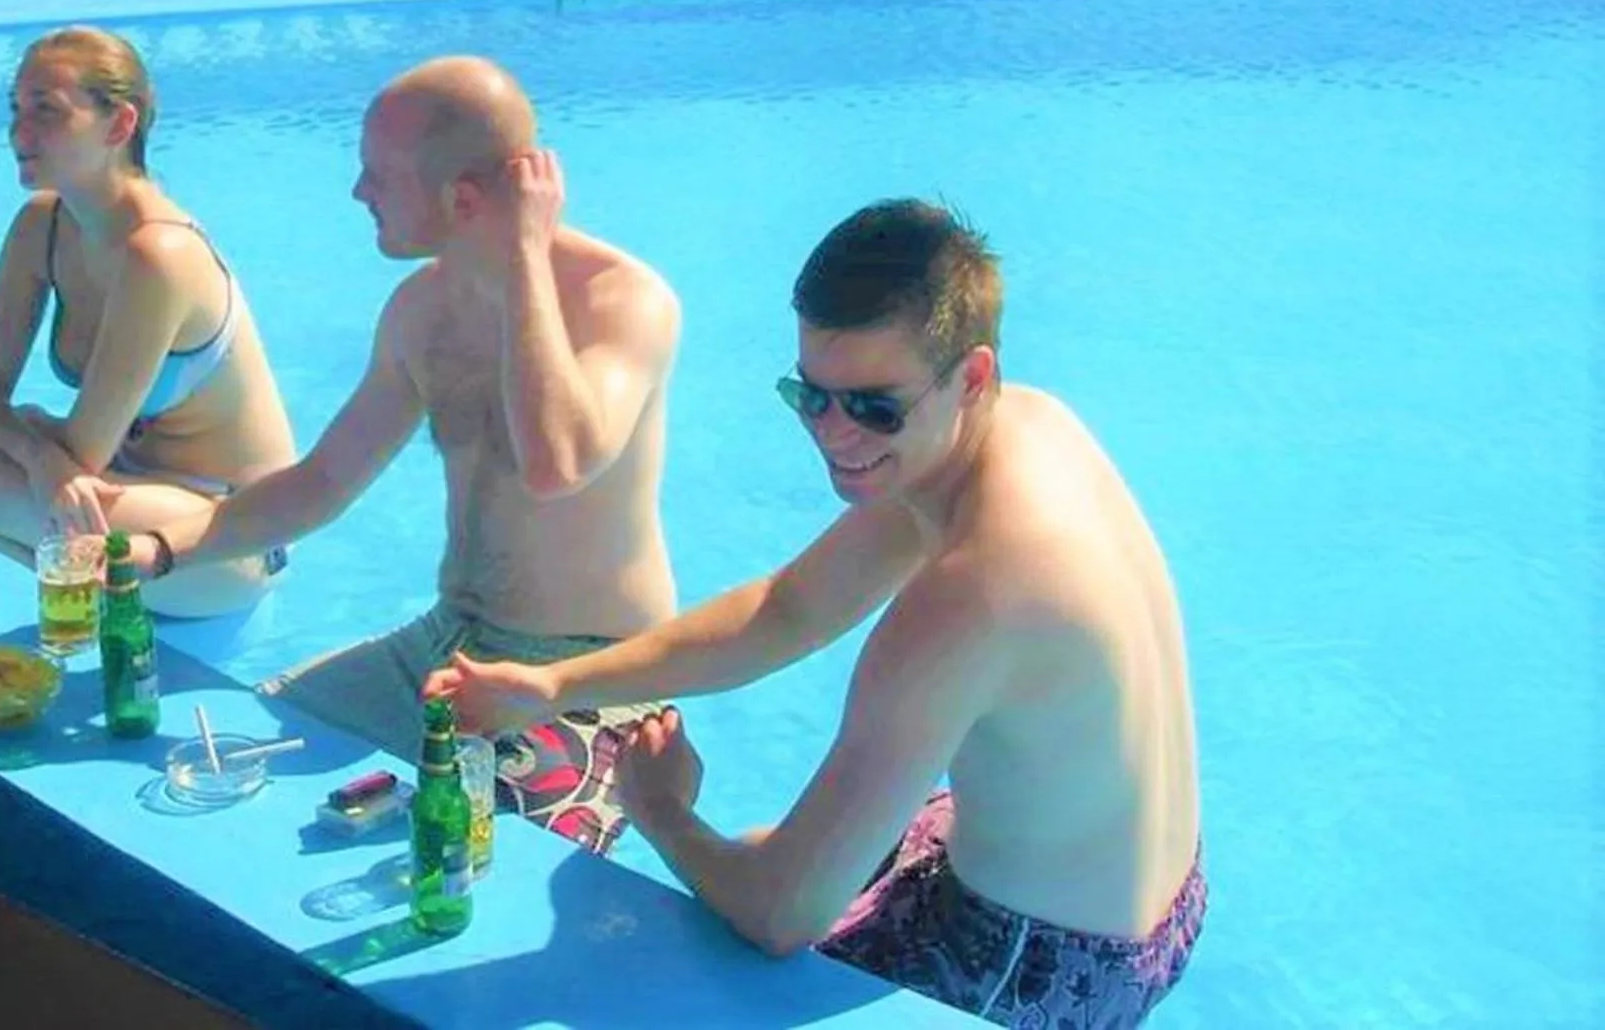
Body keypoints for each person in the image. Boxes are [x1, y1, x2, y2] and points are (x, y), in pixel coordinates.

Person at [432, 199, 1205, 1025]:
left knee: (717, 940)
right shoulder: (1025, 426)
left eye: (874, 407)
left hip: (1031, 970)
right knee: (776, 846)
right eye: (812, 396)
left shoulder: (975, 597)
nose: (836, 433)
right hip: (1156, 898)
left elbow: (777, 917)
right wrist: (553, 685)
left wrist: (660, 811)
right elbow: (786, 609)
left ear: (970, 376)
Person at [87, 56, 682, 852]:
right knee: (249, 750)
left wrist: (524, 257)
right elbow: (323, 481)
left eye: (377, 175)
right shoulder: (422, 309)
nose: (358, 193)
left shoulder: (624, 302)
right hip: (443, 646)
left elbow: (557, 462)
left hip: (588, 679)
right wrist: (161, 550)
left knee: (468, 854)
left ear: (463, 198)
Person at [0, 26, 296, 620]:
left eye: (46, 111)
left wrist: (34, 447)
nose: (18, 133)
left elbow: (79, 453)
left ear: (119, 126)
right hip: (130, 484)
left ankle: (76, 586)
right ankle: (77, 579)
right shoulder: (43, 225)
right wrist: (37, 449)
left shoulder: (161, 256)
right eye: (16, 109)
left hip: (222, 536)